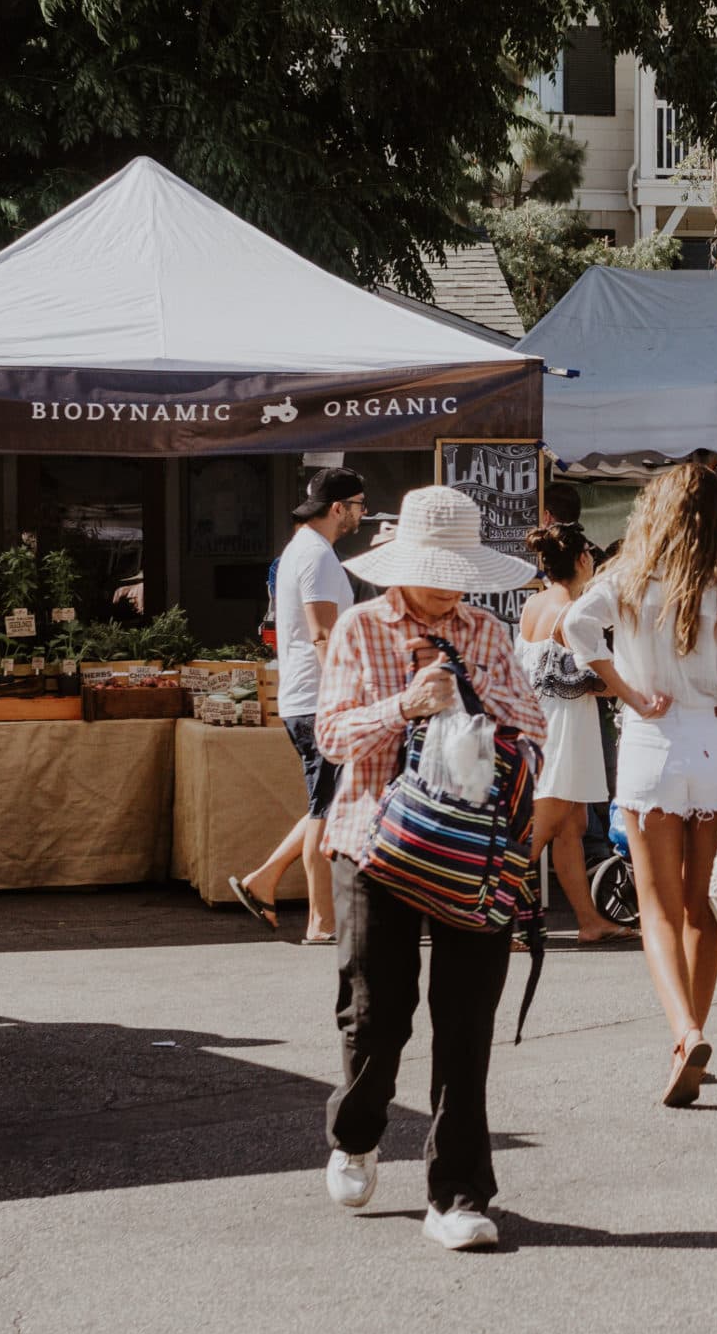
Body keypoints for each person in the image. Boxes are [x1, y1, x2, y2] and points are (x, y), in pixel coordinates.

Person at [316, 485, 541, 1251]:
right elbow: (334, 738)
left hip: (474, 846)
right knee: (377, 1015)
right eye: (437, 568)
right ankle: (357, 1130)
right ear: (403, 564)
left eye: (461, 570)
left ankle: (460, 1193)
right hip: (376, 840)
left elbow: (532, 723)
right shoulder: (359, 627)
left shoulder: (486, 630)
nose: (452, 584)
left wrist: (478, 709)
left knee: (467, 1018)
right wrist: (406, 706)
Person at [563, 463, 717, 1107]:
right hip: (716, 744)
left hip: (651, 741)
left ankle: (684, 1032)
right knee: (702, 905)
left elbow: (574, 627)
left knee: (655, 906)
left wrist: (625, 688)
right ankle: (696, 1038)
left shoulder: (625, 578)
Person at [230, 467, 364, 943]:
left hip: (303, 697)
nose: (362, 515)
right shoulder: (319, 557)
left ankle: (264, 879)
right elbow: (323, 633)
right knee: (326, 809)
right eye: (359, 506)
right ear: (337, 509)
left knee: (324, 802)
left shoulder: (298, 551)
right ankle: (321, 922)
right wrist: (348, 693)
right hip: (319, 699)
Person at [515, 522, 627, 946]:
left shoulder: (534, 605)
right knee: (539, 827)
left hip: (541, 720)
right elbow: (597, 679)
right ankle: (496, 919)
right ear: (583, 559)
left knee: (571, 827)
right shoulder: (576, 612)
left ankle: (588, 920)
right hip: (565, 728)